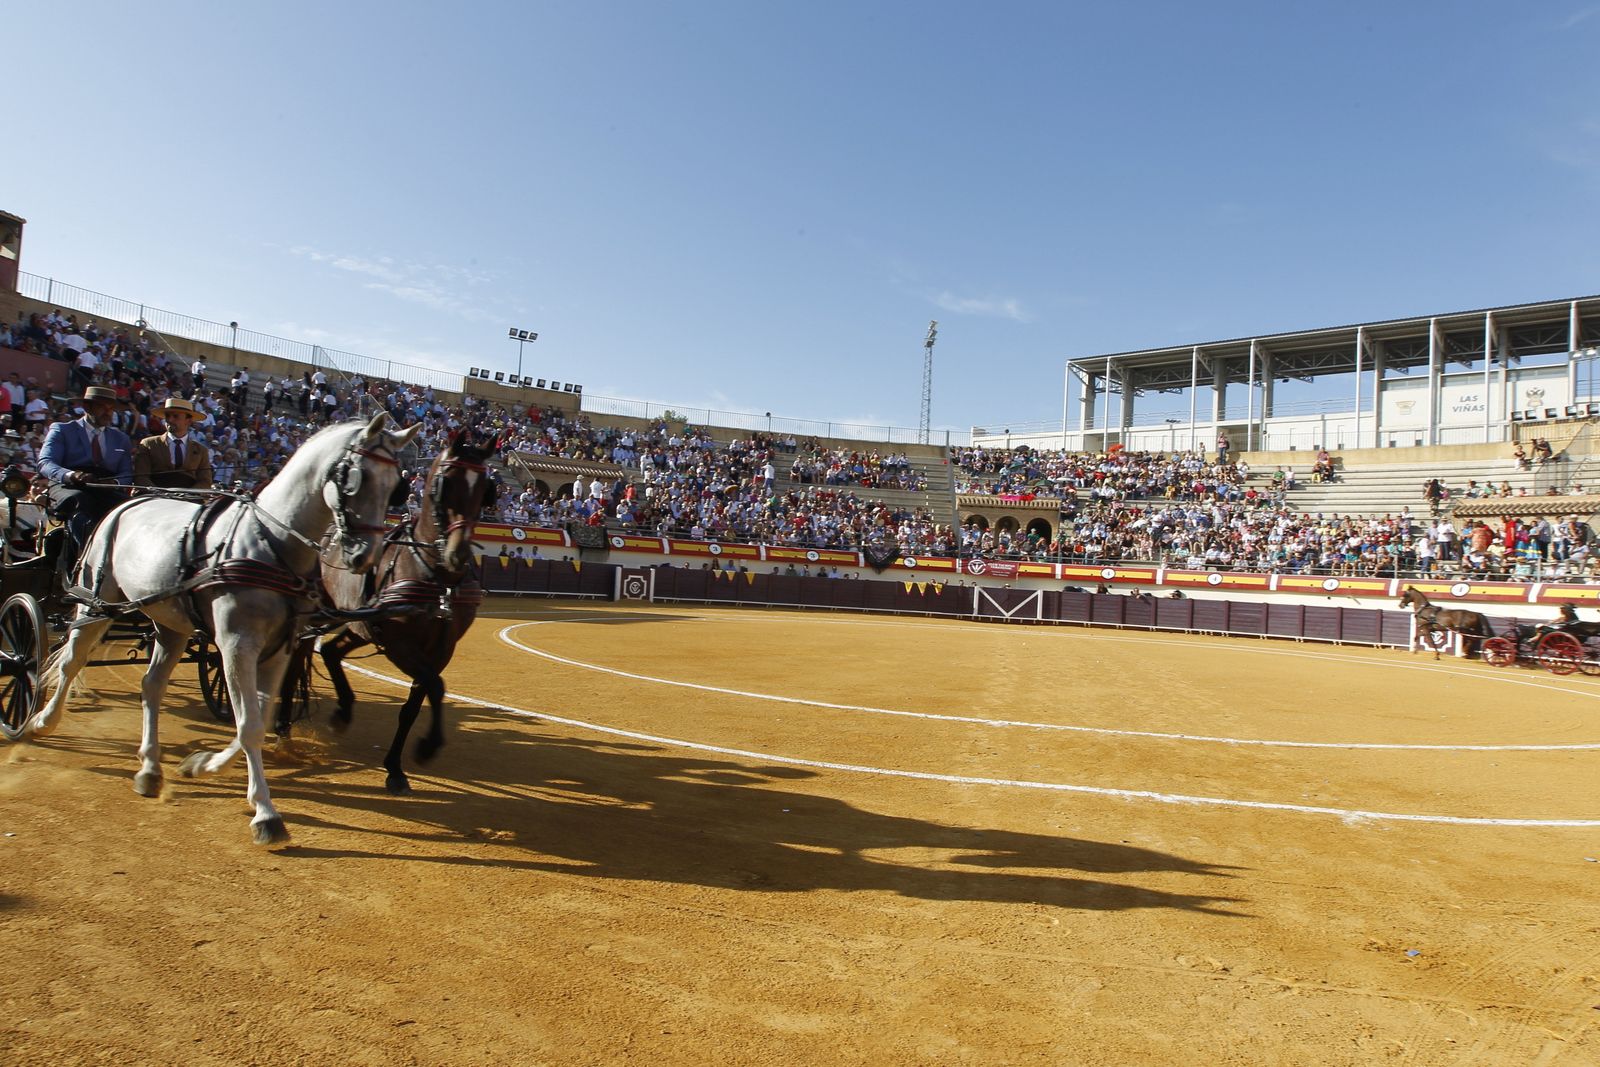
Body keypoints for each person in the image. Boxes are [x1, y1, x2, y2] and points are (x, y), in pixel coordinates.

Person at [38, 385, 134, 563]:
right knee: (78, 500)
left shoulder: (121, 438)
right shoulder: (62, 429)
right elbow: (45, 463)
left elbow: (127, 472)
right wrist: (71, 475)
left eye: (111, 408)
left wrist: (115, 482)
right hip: (68, 484)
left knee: (130, 508)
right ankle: (89, 558)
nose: (108, 412)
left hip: (104, 486)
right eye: (103, 407)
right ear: (87, 407)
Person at [133, 396, 214, 489]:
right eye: (167, 416)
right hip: (154, 497)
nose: (169, 420)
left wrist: (187, 495)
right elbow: (141, 476)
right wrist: (158, 493)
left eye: (176, 416)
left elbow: (205, 481)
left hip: (189, 499)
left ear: (188, 421)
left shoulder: (201, 450)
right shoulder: (149, 444)